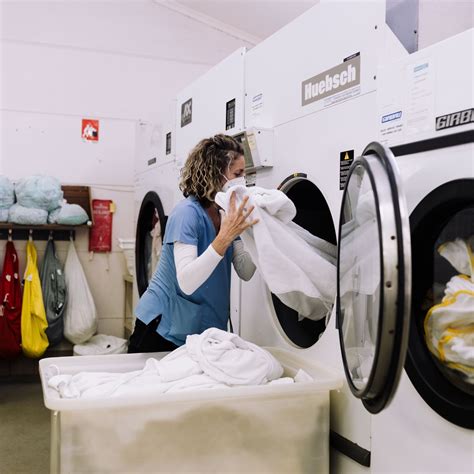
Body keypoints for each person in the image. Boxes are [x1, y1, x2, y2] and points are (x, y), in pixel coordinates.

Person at [128, 134, 258, 353]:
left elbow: (245, 270)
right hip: (161, 328)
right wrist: (224, 237)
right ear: (216, 174)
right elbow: (187, 281)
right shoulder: (186, 213)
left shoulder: (226, 213)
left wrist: (257, 235)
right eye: (237, 174)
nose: (242, 180)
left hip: (199, 330)